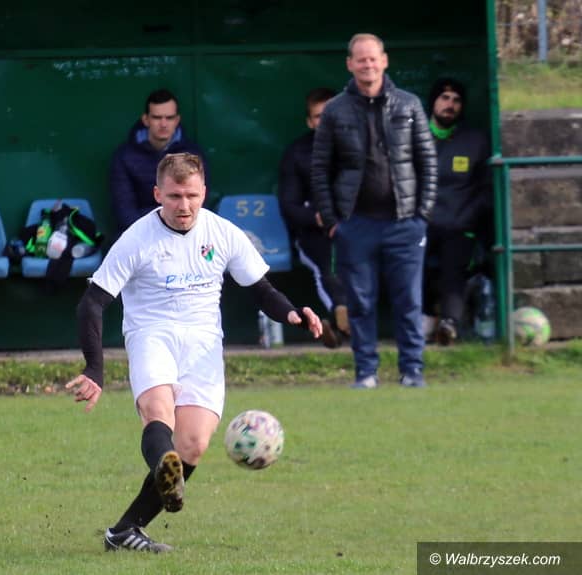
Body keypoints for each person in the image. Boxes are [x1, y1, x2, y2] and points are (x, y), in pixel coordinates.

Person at [65, 153, 322, 553]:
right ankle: (164, 467)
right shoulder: (137, 238)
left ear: (204, 192)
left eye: (191, 196)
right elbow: (92, 303)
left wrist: (292, 313)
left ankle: (125, 531)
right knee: (158, 412)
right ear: (158, 194)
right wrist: (95, 369)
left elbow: (261, 289)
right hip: (152, 334)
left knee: (193, 445)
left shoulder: (223, 232)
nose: (184, 205)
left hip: (203, 343)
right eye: (174, 196)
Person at [311, 33, 438, 389]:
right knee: (360, 304)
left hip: (405, 223)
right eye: (361, 59)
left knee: (408, 301)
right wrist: (333, 221)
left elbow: (428, 161)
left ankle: (412, 371)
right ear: (350, 64)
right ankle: (366, 372)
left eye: (373, 58)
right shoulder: (335, 110)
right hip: (355, 225)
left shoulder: (409, 104)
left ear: (384, 61)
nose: (368, 65)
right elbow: (320, 168)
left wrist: (422, 215)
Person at [421, 77, 492, 345]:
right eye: (444, 98)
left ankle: (449, 324)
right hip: (420, 223)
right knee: (411, 264)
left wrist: (469, 216)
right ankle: (425, 319)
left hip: (459, 223)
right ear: (433, 102)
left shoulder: (475, 140)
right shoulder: (414, 137)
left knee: (454, 268)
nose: (450, 105)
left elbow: (486, 189)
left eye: (456, 100)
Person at [278, 87, 348, 348]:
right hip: (314, 233)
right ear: (310, 121)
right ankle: (341, 313)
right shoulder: (297, 154)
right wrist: (317, 218)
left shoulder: (358, 147)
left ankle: (340, 327)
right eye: (319, 116)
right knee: (327, 266)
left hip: (357, 228)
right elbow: (289, 205)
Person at [109, 89, 209, 236]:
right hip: (139, 233)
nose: (163, 124)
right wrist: (154, 233)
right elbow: (124, 209)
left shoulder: (194, 155)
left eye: (169, 118)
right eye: (157, 117)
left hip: (184, 231)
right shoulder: (124, 156)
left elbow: (198, 203)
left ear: (177, 120)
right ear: (146, 119)